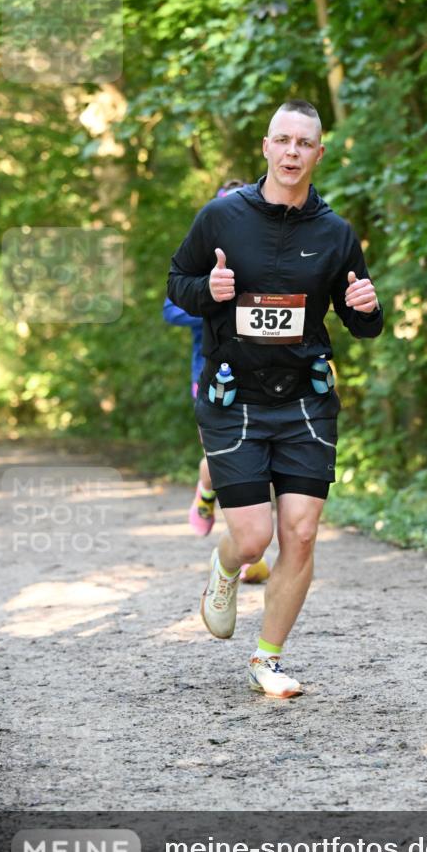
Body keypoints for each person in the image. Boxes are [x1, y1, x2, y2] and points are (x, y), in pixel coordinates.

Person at [167, 99, 382, 698]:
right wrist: (207, 290)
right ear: (265, 147)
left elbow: (359, 318)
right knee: (255, 536)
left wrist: (368, 311)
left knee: (303, 532)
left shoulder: (336, 234)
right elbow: (176, 284)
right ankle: (226, 564)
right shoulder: (220, 217)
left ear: (319, 153)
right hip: (234, 395)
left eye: (303, 143)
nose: (292, 153)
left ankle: (268, 659)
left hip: (306, 399)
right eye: (282, 141)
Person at [163, 182, 270, 583]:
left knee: (261, 468)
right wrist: (214, 304)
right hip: (209, 378)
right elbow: (171, 308)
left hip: (263, 380)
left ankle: (246, 550)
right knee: (227, 464)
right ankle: (240, 546)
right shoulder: (202, 259)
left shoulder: (265, 258)